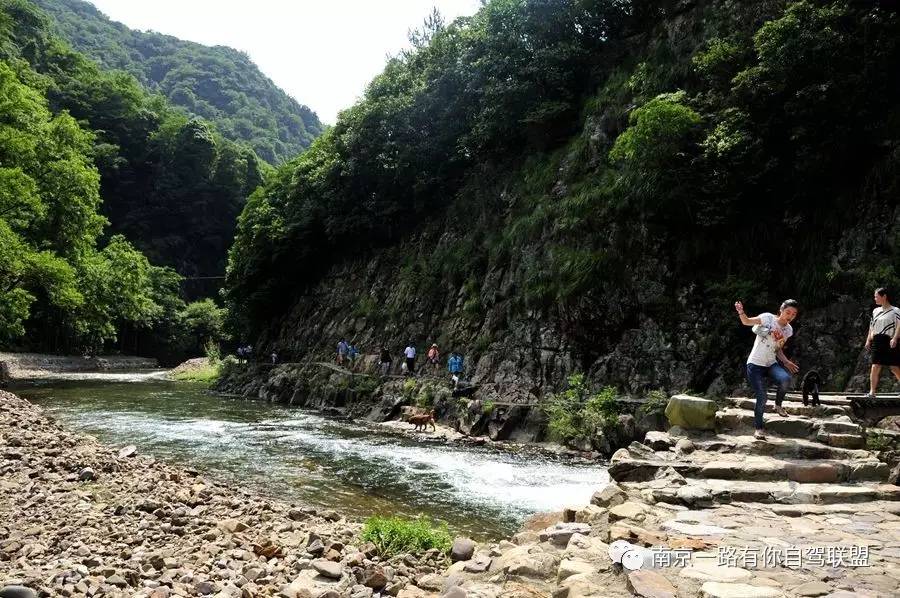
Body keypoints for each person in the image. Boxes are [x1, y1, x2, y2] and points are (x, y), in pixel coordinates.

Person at [735, 299, 800, 440]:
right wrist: (741, 312)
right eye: (788, 312)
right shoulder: (768, 318)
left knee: (785, 379)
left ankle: (778, 405)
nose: (790, 316)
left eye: (793, 314)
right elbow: (746, 322)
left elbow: (778, 349)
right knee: (762, 396)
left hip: (770, 363)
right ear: (781, 310)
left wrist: (786, 361)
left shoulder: (788, 330)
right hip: (755, 363)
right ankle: (758, 428)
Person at [864, 287, 900, 399]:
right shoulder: (875, 311)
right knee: (875, 366)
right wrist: (868, 340)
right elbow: (872, 326)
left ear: (884, 296)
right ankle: (872, 392)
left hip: (889, 340)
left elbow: (899, 325)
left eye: (876, 296)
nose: (875, 298)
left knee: (894, 367)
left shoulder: (895, 310)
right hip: (877, 340)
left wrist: (895, 338)